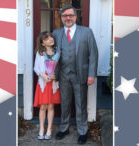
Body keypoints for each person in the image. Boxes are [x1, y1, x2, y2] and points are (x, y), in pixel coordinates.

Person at [52, 5, 98, 144]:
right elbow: (51, 55)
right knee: (65, 103)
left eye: (70, 15)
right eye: (65, 15)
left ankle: (82, 130)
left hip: (81, 74)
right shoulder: (56, 33)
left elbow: (93, 55)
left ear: (76, 17)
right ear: (61, 18)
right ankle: (64, 127)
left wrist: (91, 74)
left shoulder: (86, 32)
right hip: (63, 74)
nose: (68, 18)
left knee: (81, 103)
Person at [33, 31, 61, 140]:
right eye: (47, 38)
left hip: (53, 83)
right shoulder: (40, 53)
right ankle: (41, 129)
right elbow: (36, 68)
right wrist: (43, 76)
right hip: (43, 83)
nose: (51, 39)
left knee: (50, 106)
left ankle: (49, 129)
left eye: (51, 37)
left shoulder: (57, 53)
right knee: (43, 106)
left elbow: (60, 68)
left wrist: (56, 76)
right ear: (43, 43)